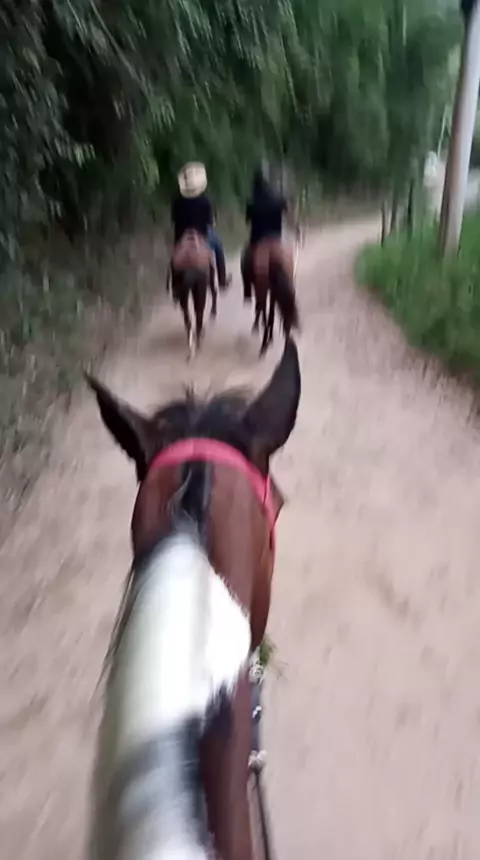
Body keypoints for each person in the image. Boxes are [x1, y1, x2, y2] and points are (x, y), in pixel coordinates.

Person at [170, 162, 230, 289]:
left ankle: (174, 285)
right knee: (218, 246)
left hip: (182, 236)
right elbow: (210, 222)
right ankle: (222, 280)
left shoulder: (177, 201)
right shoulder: (205, 201)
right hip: (202, 234)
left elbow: (174, 221)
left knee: (174, 256)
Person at [241, 168, 289, 302]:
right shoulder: (277, 199)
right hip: (277, 238)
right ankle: (289, 284)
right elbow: (287, 212)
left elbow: (247, 222)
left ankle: (247, 291)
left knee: (245, 259)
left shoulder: (252, 202)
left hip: (258, 241)